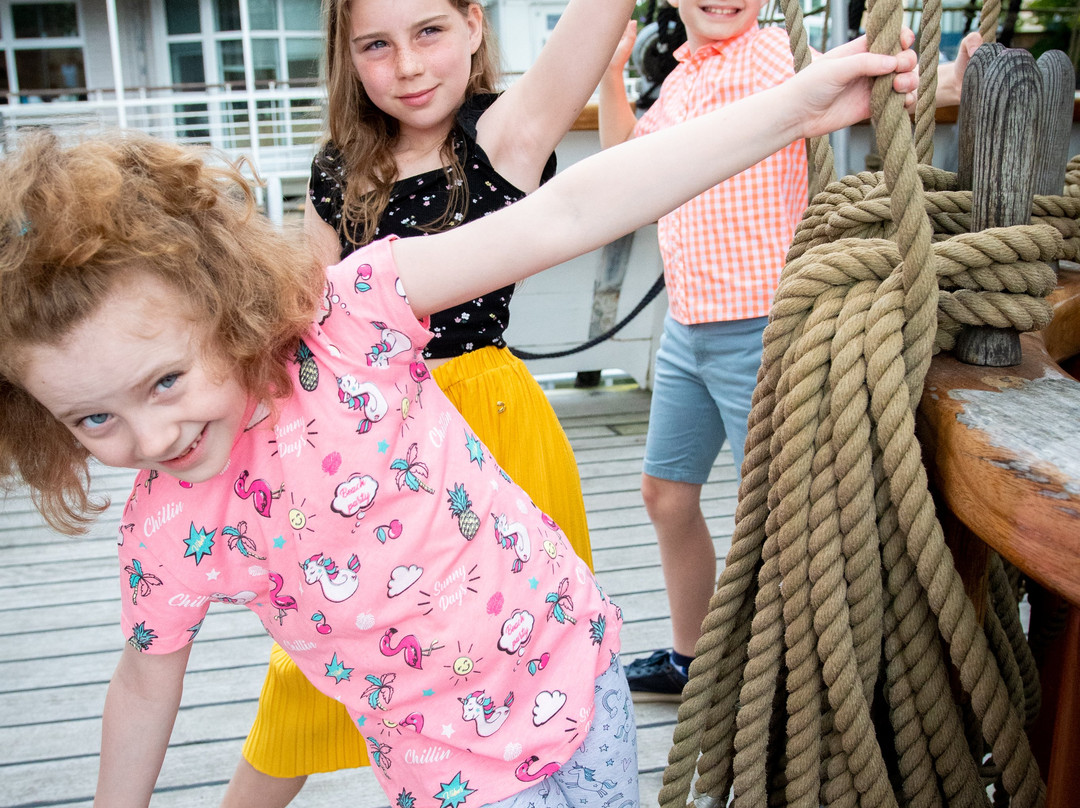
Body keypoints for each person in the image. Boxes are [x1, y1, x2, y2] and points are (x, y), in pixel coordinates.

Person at [0, 36, 919, 808]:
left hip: (576, 672)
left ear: (219, 302)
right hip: (452, 775)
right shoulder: (164, 529)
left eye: (164, 381)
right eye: (92, 419)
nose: (151, 440)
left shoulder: (349, 319)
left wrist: (796, 110)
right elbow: (143, 678)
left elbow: (571, 210)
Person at [226, 0, 638, 802]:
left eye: (430, 32)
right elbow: (300, 331)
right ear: (348, 55)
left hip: (491, 431)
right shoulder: (334, 171)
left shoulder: (505, 136)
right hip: (363, 443)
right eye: (376, 45)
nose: (408, 65)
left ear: (476, 26)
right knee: (318, 658)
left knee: (538, 654)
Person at [597, 1, 982, 702]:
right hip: (689, 329)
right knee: (665, 494)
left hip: (766, 327)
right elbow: (626, 162)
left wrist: (951, 78)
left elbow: (885, 71)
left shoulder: (782, 55)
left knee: (782, 514)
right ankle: (694, 656)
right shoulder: (682, 80)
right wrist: (612, 74)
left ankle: (799, 679)